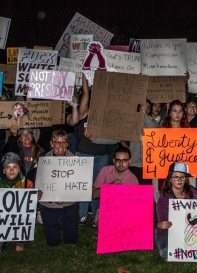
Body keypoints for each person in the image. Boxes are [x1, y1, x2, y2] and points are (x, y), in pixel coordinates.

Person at [66, 80, 118, 225]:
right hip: (84, 154)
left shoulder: (107, 115)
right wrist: (85, 76)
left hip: (101, 155)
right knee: (84, 185)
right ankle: (82, 215)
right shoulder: (84, 112)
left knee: (98, 186)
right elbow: (86, 95)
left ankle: (95, 216)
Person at [0, 152, 38, 259]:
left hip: (18, 225)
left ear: (19, 169)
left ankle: (19, 241)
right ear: (3, 169)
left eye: (15, 167)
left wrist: (36, 198)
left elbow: (30, 211)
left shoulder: (27, 184)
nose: (11, 170)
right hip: (0, 226)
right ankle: (2, 240)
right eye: (8, 167)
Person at [155, 162, 197, 259]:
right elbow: (162, 227)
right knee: (166, 251)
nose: (179, 180)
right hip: (170, 232)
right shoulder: (164, 198)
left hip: (193, 230)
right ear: (170, 178)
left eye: (182, 177)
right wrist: (160, 225)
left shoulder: (194, 193)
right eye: (176, 177)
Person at [38, 129, 78, 247]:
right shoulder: (43, 160)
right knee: (53, 242)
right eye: (57, 142)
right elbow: (38, 182)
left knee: (71, 241)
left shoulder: (76, 160)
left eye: (64, 142)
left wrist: (74, 166)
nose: (60, 146)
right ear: (51, 144)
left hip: (68, 205)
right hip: (49, 205)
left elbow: (79, 184)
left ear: (67, 144)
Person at [92, 146, 138, 227]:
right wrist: (110, 186)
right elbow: (94, 195)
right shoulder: (105, 171)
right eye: (118, 160)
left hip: (124, 212)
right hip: (105, 210)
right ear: (113, 160)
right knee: (102, 225)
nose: (121, 163)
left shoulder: (133, 179)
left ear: (129, 161)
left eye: (124, 160)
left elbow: (136, 204)